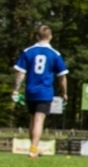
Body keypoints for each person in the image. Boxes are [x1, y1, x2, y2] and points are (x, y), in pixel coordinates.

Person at [12, 25, 68, 158]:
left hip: (30, 90)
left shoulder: (28, 51)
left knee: (32, 120)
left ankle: (33, 148)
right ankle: (33, 149)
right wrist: (64, 92)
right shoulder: (55, 54)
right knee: (39, 120)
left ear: (37, 36)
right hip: (45, 91)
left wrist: (15, 89)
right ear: (51, 37)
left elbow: (20, 74)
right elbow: (62, 77)